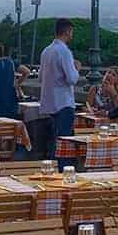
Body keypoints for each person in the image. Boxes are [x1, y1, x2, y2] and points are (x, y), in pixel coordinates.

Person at [38, 18, 81, 161]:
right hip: (64, 103)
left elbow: (40, 77)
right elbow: (72, 79)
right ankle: (63, 172)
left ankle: (52, 170)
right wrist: (76, 68)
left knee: (53, 143)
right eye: (71, 32)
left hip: (50, 103)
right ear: (68, 31)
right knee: (64, 144)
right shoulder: (64, 51)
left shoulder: (46, 51)